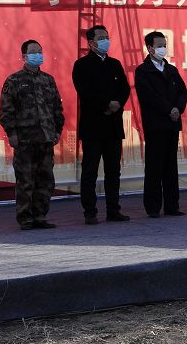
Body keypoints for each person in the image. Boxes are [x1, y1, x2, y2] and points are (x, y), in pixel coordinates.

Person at [0, 39, 65, 230]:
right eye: (33, 52)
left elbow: (57, 108)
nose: (38, 55)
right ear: (24, 56)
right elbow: (6, 110)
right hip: (25, 139)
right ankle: (25, 218)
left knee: (45, 179)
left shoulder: (48, 80)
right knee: (25, 180)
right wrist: (12, 133)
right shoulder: (14, 81)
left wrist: (57, 130)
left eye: (40, 51)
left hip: (46, 138)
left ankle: (40, 216)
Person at [72, 25, 132, 224]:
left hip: (113, 125)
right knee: (90, 171)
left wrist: (117, 104)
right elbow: (85, 92)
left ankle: (113, 209)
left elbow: (124, 88)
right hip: (93, 125)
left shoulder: (115, 64)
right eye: (101, 38)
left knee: (113, 171)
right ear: (91, 43)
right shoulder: (81, 65)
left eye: (107, 37)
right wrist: (106, 104)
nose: (106, 40)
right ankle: (90, 211)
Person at [134, 31, 187, 218]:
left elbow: (182, 92)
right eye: (159, 46)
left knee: (171, 167)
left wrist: (178, 109)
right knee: (154, 167)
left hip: (172, 124)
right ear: (150, 48)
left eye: (164, 45)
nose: (163, 49)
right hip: (155, 125)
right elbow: (148, 96)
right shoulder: (143, 71)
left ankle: (172, 206)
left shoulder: (171, 69)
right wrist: (168, 109)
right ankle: (153, 207)